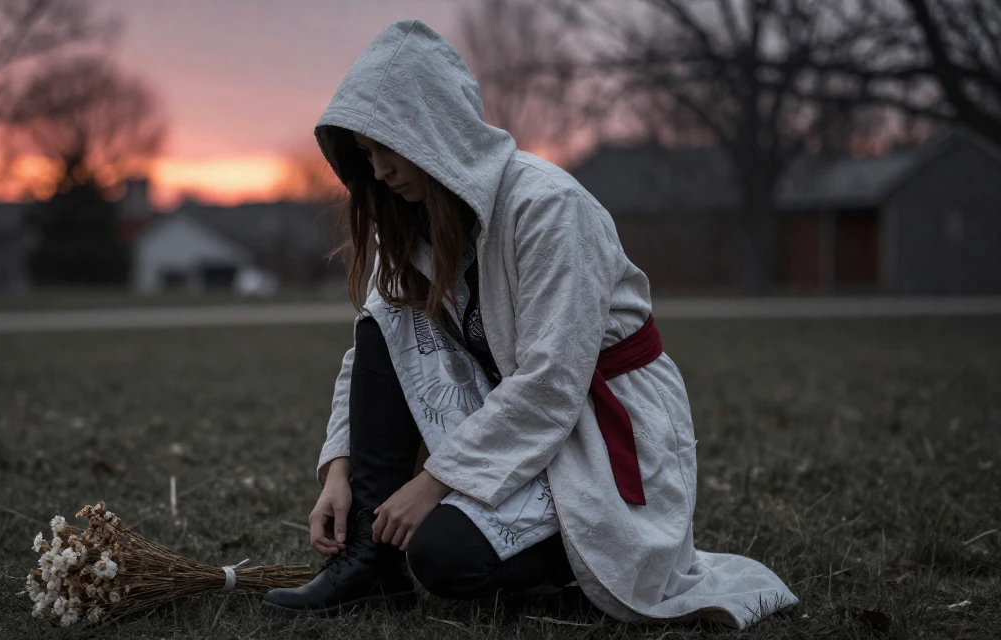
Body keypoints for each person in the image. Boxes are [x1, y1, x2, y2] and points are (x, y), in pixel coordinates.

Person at [262, 19, 797, 629]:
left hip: (591, 421)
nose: (377, 170)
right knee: (383, 324)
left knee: (443, 557)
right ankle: (369, 565)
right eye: (365, 153)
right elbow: (371, 354)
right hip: (506, 407)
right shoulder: (408, 216)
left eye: (387, 146)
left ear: (431, 130)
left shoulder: (548, 207)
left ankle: (577, 563)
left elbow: (551, 384)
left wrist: (434, 482)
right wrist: (342, 473)